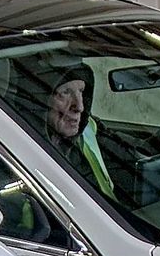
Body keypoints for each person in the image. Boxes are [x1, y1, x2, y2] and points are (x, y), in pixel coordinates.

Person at [39, 62, 117, 200]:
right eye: (65, 93)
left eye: (81, 91)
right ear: (42, 101)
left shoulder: (88, 128)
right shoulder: (25, 148)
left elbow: (125, 151)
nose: (79, 106)